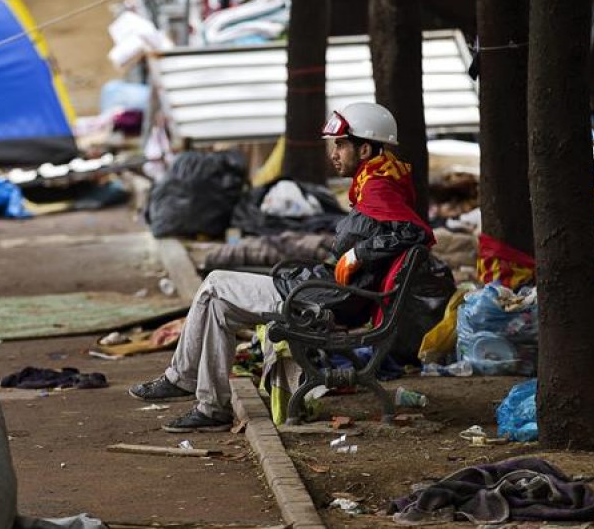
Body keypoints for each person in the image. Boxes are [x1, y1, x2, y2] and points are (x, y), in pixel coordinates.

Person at [128, 102, 437, 433]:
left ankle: (185, 381)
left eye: (341, 144)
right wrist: (355, 254)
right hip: (333, 292)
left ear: (364, 147)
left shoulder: (379, 187)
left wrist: (359, 253)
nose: (335, 153)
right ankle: (208, 404)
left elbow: (415, 231)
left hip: (329, 300)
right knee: (218, 306)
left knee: (215, 283)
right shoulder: (379, 179)